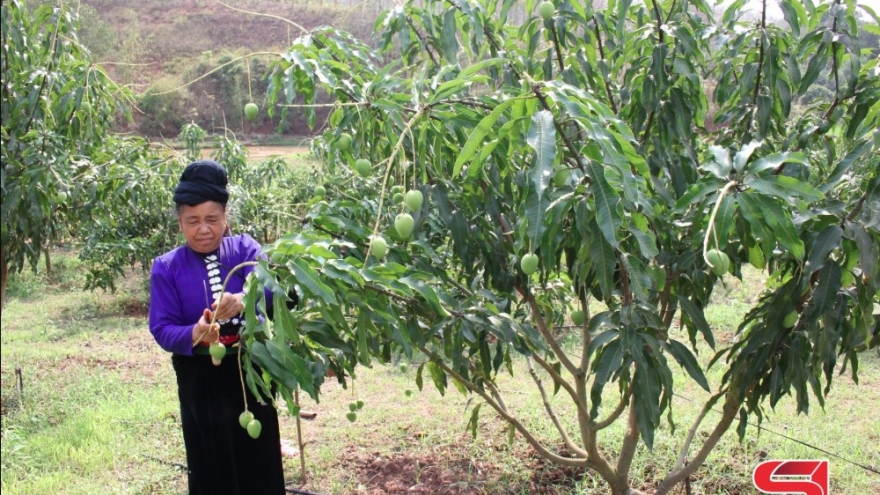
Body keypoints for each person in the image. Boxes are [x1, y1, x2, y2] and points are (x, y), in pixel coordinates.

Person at [148, 160, 286, 494]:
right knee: (211, 461)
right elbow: (162, 327)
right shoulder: (167, 267)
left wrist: (244, 298)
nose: (203, 229)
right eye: (193, 221)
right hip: (200, 380)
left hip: (251, 371)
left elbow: (271, 285)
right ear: (180, 223)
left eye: (212, 219)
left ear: (225, 217)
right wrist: (195, 333)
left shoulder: (245, 249)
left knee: (259, 460)